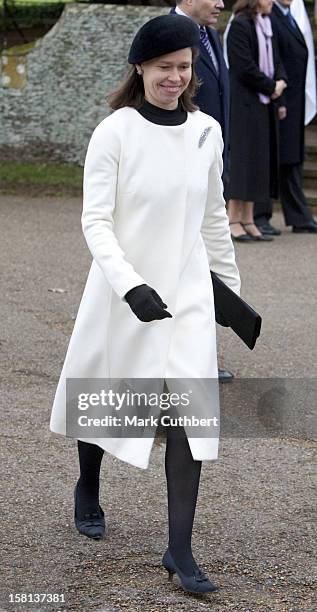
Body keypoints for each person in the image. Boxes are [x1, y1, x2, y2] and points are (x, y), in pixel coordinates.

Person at [49, 15, 240, 594]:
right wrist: (129, 284)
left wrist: (227, 290)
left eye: (184, 67)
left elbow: (212, 217)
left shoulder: (207, 131)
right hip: (123, 288)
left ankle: (178, 547)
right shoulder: (116, 132)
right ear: (140, 67)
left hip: (187, 296)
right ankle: (88, 484)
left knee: (190, 415)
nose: (176, 78)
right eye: (164, 67)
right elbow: (96, 221)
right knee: (106, 391)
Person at [172, 0, 236, 381]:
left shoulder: (210, 35)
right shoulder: (166, 33)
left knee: (207, 261)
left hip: (208, 159)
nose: (221, 3)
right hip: (180, 169)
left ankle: (199, 358)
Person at [226, 0, 287, 242]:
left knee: (258, 162)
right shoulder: (240, 25)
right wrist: (271, 86)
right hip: (244, 104)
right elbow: (243, 67)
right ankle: (232, 219)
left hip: (264, 104)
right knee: (243, 161)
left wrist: (279, 83)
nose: (272, 1)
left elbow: (278, 61)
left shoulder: (267, 24)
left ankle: (248, 218)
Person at [254, 0, 317, 234]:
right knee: (272, 157)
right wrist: (278, 99)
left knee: (291, 159)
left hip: (294, 100)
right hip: (280, 100)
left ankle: (299, 215)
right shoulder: (270, 18)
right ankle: (260, 214)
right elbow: (272, 62)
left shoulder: (288, 16)